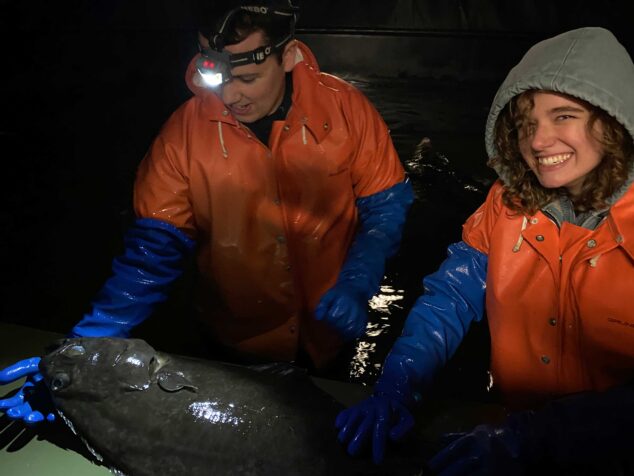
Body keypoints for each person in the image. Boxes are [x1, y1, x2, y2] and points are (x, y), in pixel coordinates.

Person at [0, 0, 413, 425]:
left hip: (332, 338)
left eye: (248, 78)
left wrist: (359, 278)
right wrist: (82, 351)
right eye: (219, 77)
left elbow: (385, 207)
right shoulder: (181, 135)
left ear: (287, 56)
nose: (230, 96)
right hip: (233, 350)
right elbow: (150, 256)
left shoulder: (348, 108)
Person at [336, 26, 634, 475]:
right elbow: (450, 299)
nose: (537, 140)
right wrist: (397, 384)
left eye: (564, 115)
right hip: (511, 437)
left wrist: (531, 439)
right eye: (527, 123)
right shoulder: (505, 203)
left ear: (614, 119)